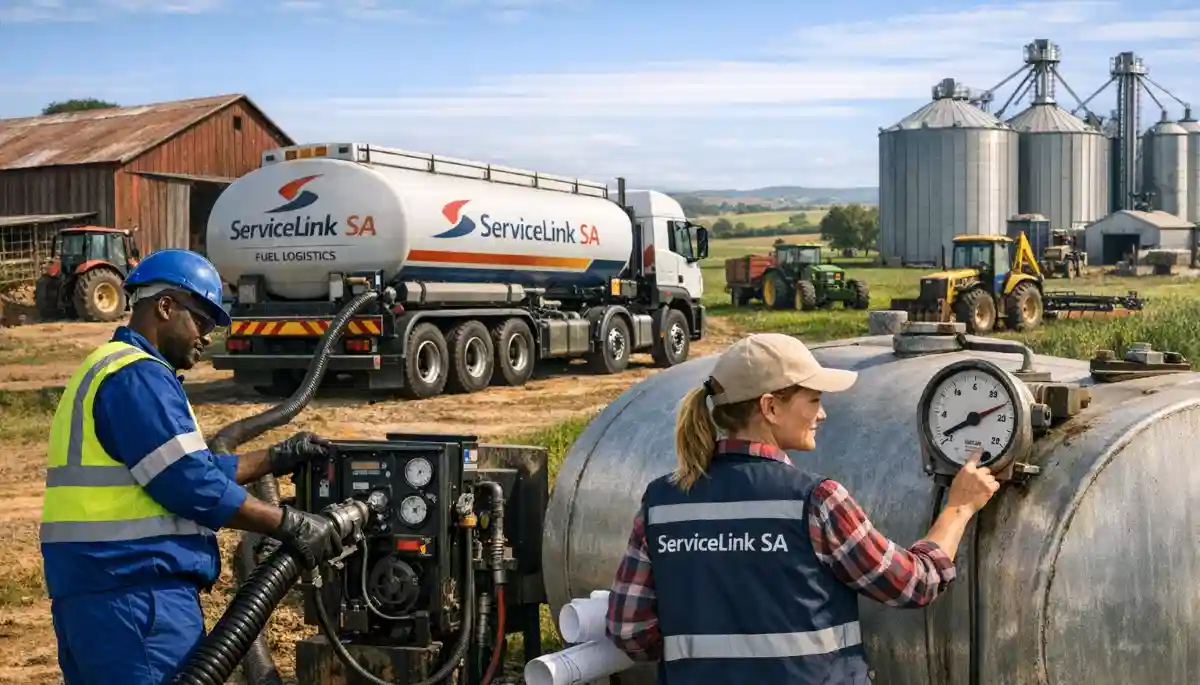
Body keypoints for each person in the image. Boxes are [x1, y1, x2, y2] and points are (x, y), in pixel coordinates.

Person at [605, 332, 1000, 684]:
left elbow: (630, 630)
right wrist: (960, 507)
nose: (822, 413)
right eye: (813, 399)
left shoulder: (661, 502)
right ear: (770, 407)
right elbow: (913, 584)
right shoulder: (816, 501)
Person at [40, 249, 347, 685]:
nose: (207, 337)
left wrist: (276, 458)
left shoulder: (108, 367)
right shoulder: (138, 376)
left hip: (101, 596)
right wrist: (291, 525)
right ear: (165, 307)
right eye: (202, 321)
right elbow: (187, 484)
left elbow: (183, 470)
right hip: (138, 598)